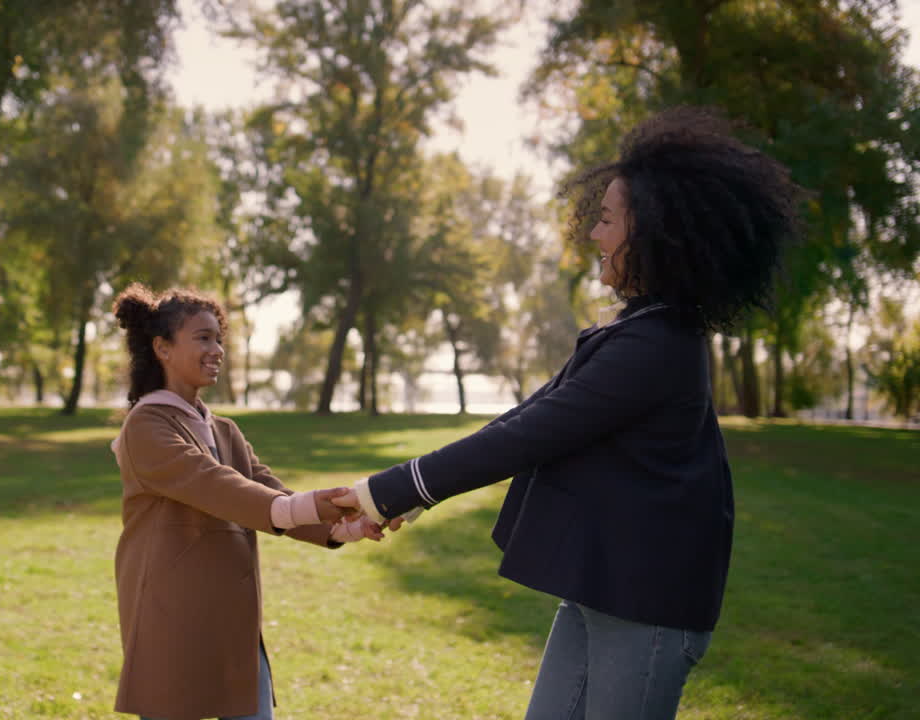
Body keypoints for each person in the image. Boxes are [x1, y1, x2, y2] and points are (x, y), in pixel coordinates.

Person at [333, 106, 803, 719]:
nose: (594, 234)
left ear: (657, 234)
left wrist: (386, 492)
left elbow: (531, 435)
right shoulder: (639, 330)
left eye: (607, 220)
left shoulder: (657, 346)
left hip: (646, 604)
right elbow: (527, 418)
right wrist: (404, 494)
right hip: (604, 589)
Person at [109, 283, 382, 720]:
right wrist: (316, 504)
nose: (216, 349)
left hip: (234, 620)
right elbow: (219, 488)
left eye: (219, 338)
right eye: (203, 337)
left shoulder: (225, 430)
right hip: (172, 618)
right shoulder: (147, 426)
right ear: (162, 348)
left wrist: (342, 526)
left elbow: (270, 492)